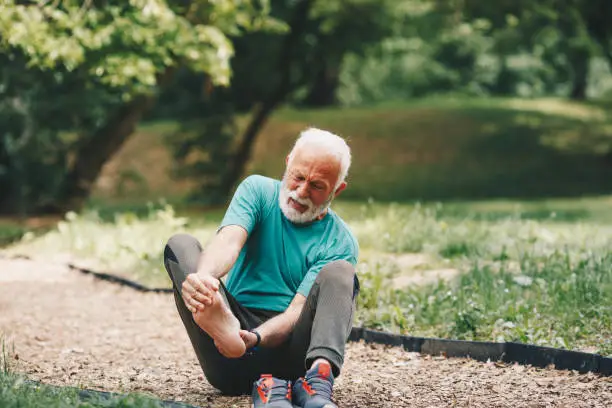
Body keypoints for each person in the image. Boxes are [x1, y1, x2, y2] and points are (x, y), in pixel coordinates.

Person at [163, 127, 360, 408]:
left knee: (341, 272)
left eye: (317, 186)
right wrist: (204, 282)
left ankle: (320, 379)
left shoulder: (340, 241)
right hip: (227, 357)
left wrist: (255, 338)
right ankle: (221, 321)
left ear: (337, 190)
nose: (301, 192)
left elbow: (294, 313)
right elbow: (228, 241)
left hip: (292, 361)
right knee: (180, 245)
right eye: (298, 176)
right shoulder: (257, 190)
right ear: (288, 162)